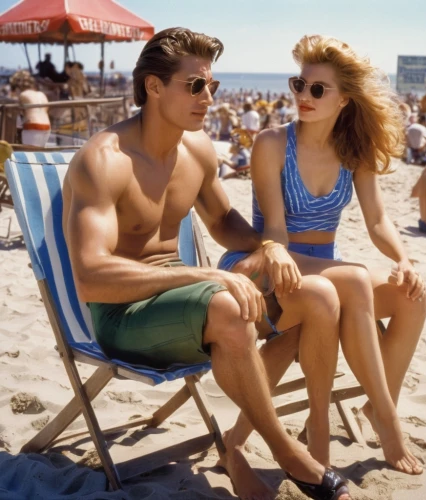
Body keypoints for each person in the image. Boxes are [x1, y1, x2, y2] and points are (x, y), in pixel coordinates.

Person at [62, 27, 352, 500]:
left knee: (315, 296)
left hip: (184, 299)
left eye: (211, 86)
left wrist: (274, 249)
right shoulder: (104, 160)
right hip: (122, 315)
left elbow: (222, 221)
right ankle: (290, 456)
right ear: (154, 87)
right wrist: (204, 273)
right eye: (195, 86)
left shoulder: (195, 150)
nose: (207, 97)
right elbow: (91, 278)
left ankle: (233, 449)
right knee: (227, 305)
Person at [218, 34, 424, 477]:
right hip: (270, 263)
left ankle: (377, 406)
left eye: (317, 89)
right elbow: (272, 230)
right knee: (349, 280)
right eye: (299, 84)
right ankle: (384, 425)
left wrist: (404, 259)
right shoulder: (272, 144)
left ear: (344, 99)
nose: (303, 97)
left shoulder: (356, 152)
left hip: (326, 268)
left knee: (412, 295)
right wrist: (280, 254)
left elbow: (377, 221)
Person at [9, 71, 51, 147]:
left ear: (18, 87)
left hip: (32, 126)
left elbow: (16, 112)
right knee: (39, 154)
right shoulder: (41, 94)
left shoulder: (23, 95)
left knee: (29, 153)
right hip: (47, 127)